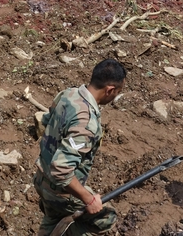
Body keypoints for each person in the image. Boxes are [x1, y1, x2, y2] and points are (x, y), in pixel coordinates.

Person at [33, 59, 126, 236]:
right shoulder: (86, 123)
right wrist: (88, 199)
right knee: (106, 218)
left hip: (40, 178)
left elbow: (46, 120)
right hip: (60, 193)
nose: (115, 98)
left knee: (53, 220)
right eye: (117, 93)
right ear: (110, 90)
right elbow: (61, 170)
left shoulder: (68, 94)